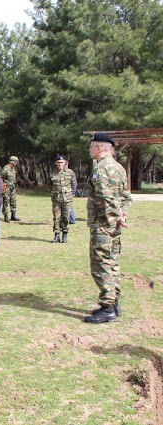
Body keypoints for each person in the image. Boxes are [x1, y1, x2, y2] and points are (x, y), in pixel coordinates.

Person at [84, 133, 131, 324]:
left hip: (103, 225)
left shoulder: (102, 168)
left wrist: (113, 219)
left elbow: (105, 198)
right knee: (112, 262)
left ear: (100, 148)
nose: (89, 150)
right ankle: (114, 302)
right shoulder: (119, 168)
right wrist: (122, 215)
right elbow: (126, 197)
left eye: (91, 147)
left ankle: (107, 308)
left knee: (101, 263)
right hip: (113, 225)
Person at [49, 155, 75, 243]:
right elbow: (50, 185)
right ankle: (56, 235)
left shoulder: (70, 172)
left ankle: (65, 234)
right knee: (56, 217)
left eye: (62, 162)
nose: (60, 164)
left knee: (65, 217)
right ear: (56, 163)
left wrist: (73, 194)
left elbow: (74, 183)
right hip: (56, 199)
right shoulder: (53, 173)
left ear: (65, 163)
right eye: (58, 162)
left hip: (67, 199)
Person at [0, 156, 21, 222]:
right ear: (13, 162)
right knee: (6, 201)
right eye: (16, 162)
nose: (16, 164)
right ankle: (6, 215)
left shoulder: (13, 169)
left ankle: (13, 215)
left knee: (13, 201)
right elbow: (1, 177)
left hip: (12, 187)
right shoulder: (6, 169)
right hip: (7, 187)